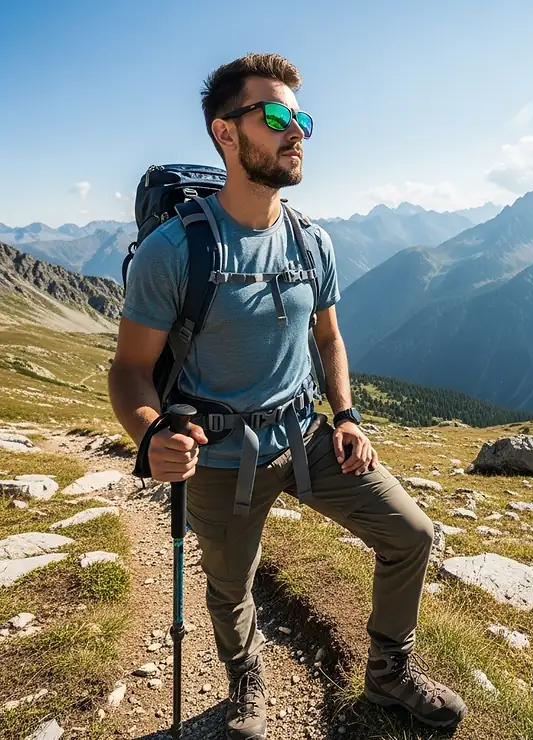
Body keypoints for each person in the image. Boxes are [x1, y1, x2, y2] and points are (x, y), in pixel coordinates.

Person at [108, 52, 468, 740]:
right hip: (216, 459)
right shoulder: (174, 252)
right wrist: (151, 435)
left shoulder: (312, 239)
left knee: (412, 536)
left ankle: (390, 672)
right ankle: (247, 684)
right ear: (225, 132)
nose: (296, 129)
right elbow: (128, 369)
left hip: (307, 437)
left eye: (301, 117)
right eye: (276, 116)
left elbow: (329, 340)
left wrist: (347, 416)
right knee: (229, 588)